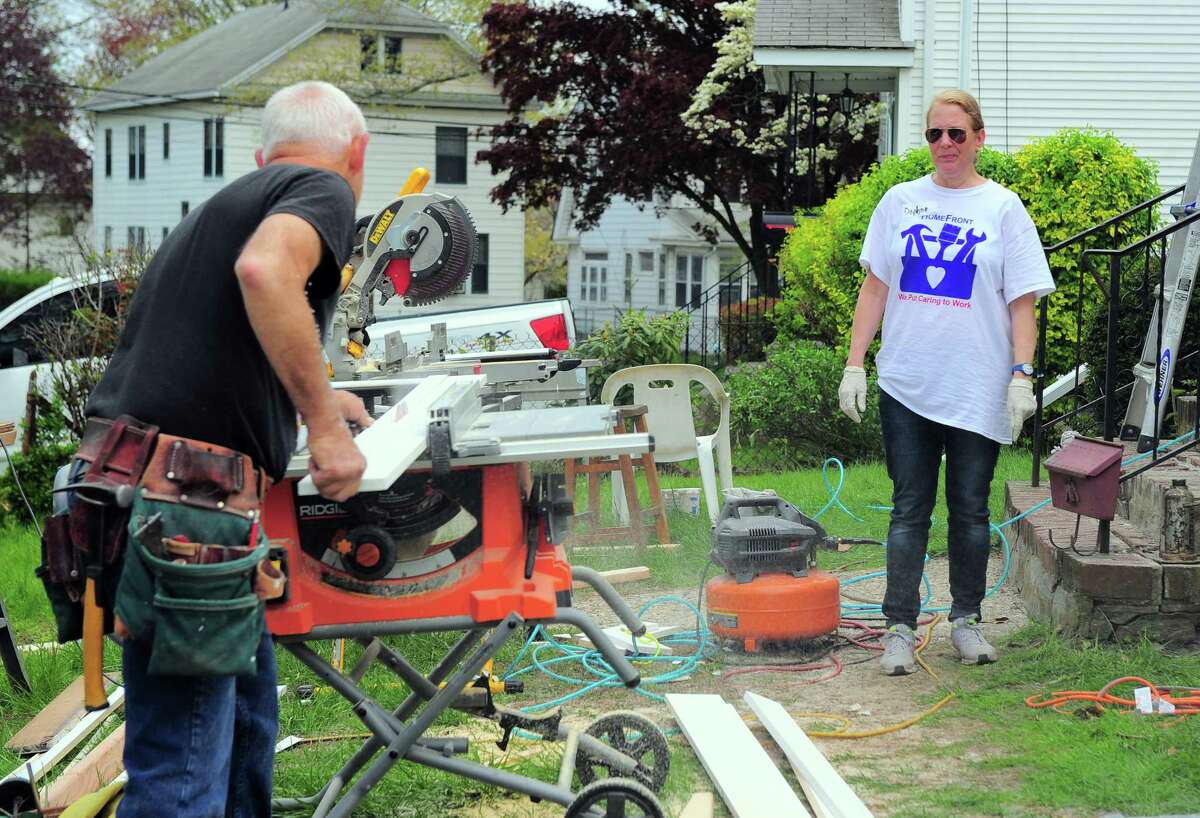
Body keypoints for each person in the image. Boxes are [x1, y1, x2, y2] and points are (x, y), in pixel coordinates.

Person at [85, 80, 372, 817]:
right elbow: (265, 273)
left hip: (149, 493)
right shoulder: (324, 187)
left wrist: (310, 399)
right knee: (182, 767)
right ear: (358, 152)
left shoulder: (231, 202)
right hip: (185, 515)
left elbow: (209, 349)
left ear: (260, 155)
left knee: (245, 726)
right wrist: (329, 431)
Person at [837, 89, 1054, 676]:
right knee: (909, 509)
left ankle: (965, 621)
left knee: (969, 509)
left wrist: (1021, 376)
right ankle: (899, 630)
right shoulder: (900, 201)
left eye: (957, 134)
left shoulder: (1004, 208)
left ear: (979, 139)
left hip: (976, 386)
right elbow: (876, 287)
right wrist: (855, 362)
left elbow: (1022, 302)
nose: (945, 145)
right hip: (907, 383)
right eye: (935, 134)